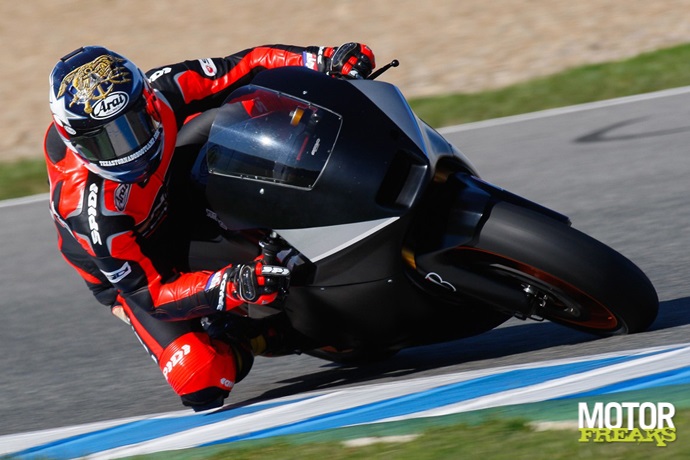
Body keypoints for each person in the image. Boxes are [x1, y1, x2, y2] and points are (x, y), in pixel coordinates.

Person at [44, 43, 376, 411]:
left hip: (177, 181)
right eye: (105, 142)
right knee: (199, 377)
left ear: (147, 101)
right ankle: (246, 335)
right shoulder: (91, 213)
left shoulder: (163, 88)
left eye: (134, 125)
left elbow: (244, 64)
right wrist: (232, 284)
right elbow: (151, 294)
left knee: (257, 108)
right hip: (143, 265)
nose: (129, 149)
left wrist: (322, 58)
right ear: (77, 143)